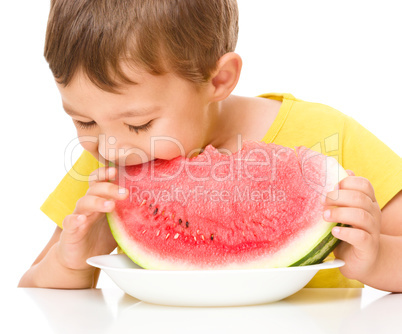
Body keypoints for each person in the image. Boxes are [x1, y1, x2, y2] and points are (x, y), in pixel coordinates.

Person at [19, 0, 402, 290]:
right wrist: (72, 264)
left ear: (219, 79)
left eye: (139, 123)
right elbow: (31, 295)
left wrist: (377, 258)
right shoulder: (103, 172)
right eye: (83, 121)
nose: (112, 147)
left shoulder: (326, 134)